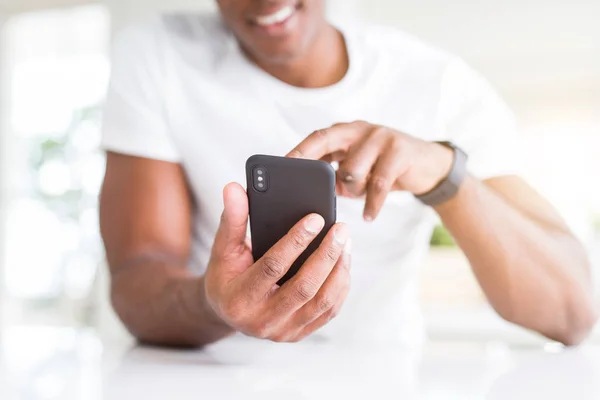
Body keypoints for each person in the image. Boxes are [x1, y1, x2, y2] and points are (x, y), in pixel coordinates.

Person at [100, 0, 597, 348]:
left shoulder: (442, 86)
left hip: (377, 377)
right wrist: (215, 304)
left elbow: (572, 314)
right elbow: (137, 279)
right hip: (199, 378)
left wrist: (444, 175)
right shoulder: (157, 55)